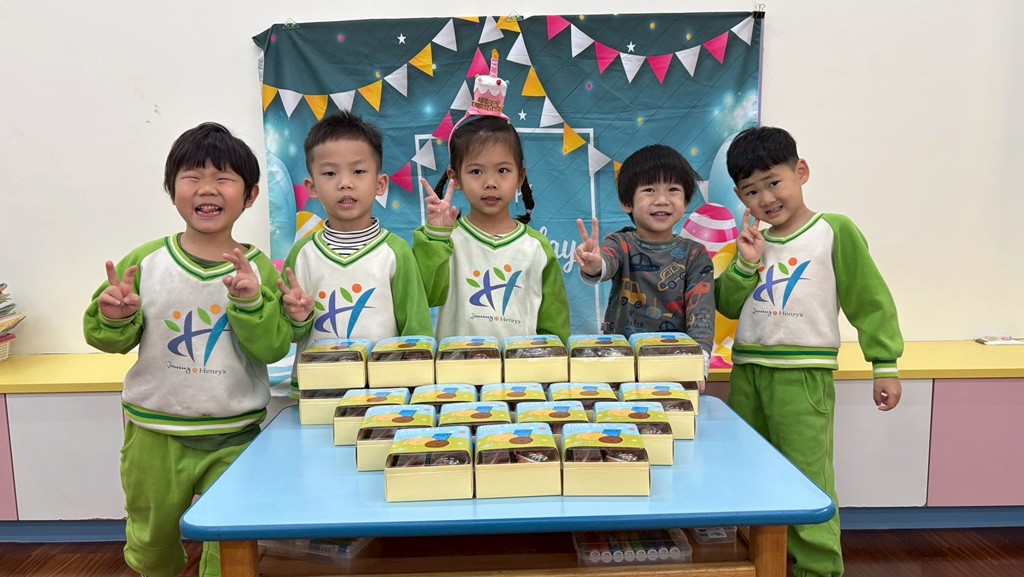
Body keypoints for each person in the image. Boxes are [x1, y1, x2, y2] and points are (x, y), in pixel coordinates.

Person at [83, 122, 291, 577]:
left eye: (223, 178)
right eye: (192, 176)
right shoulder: (145, 262)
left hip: (234, 435)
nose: (207, 188)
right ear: (171, 189)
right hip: (154, 435)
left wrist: (250, 303)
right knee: (151, 543)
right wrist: (115, 318)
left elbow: (274, 346)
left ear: (251, 195)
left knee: (231, 543)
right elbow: (106, 337)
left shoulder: (260, 270)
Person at [715, 126, 904, 577]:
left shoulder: (833, 230)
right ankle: (758, 564)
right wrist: (745, 263)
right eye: (751, 191)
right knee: (746, 473)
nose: (765, 198)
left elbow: (869, 299)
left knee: (807, 480)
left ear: (801, 171)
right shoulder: (751, 243)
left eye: (773, 182)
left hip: (803, 379)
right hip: (748, 373)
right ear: (740, 198)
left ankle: (818, 570)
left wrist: (885, 364)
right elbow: (726, 304)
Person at [413, 52, 570, 343]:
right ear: (456, 178)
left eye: (502, 170)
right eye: (476, 171)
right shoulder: (447, 240)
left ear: (520, 177)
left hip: (523, 370)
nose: (490, 183)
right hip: (457, 370)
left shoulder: (537, 247)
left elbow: (554, 326)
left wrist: (553, 363)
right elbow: (424, 295)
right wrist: (435, 238)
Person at [277, 112, 433, 394]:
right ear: (312, 187)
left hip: (382, 391)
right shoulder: (302, 254)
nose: (345, 183)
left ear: (380, 184)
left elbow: (416, 328)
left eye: (358, 171)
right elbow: (284, 333)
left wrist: (417, 387)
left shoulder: (395, 252)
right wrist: (298, 319)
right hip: (315, 390)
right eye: (330, 173)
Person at [574, 144, 715, 372]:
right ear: (627, 203)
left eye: (673, 189)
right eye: (649, 190)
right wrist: (595, 264)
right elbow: (607, 261)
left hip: (675, 364)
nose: (662, 200)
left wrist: (699, 361)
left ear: (686, 201)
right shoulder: (620, 242)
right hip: (621, 362)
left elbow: (701, 314)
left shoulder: (695, 254)